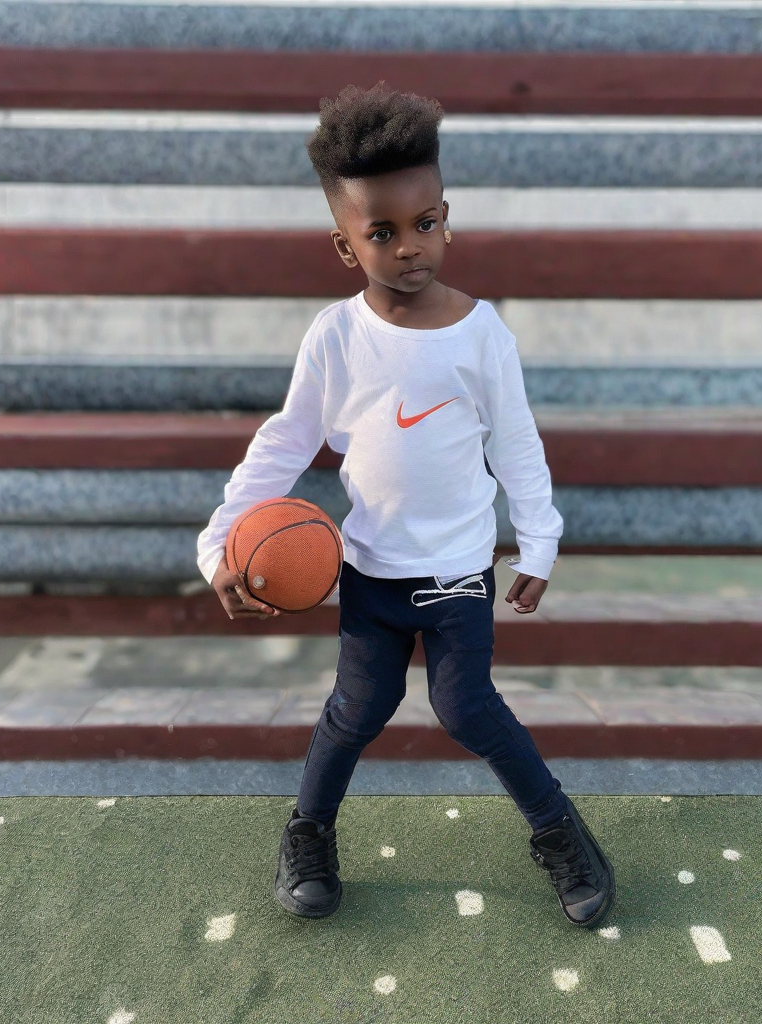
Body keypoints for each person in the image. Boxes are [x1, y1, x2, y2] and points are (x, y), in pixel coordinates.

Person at [196, 83, 615, 928]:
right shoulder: (335, 337)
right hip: (371, 571)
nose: (409, 246)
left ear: (447, 218)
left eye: (424, 224)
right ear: (346, 246)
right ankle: (308, 831)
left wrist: (538, 541)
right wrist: (219, 544)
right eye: (380, 232)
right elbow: (285, 441)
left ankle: (561, 831)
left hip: (459, 569)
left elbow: (518, 443)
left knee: (465, 707)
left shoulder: (481, 334)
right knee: (358, 709)